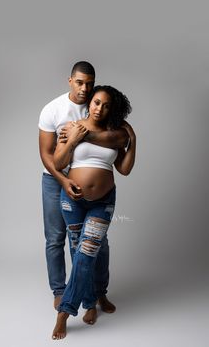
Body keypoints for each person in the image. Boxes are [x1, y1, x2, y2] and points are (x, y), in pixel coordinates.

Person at [38, 62, 129, 314]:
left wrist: (83, 135)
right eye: (79, 82)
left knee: (98, 242)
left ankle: (98, 293)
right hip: (56, 179)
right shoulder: (53, 109)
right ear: (70, 81)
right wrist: (64, 180)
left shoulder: (99, 104)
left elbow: (116, 138)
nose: (85, 88)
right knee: (56, 238)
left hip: (94, 190)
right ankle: (61, 292)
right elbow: (46, 154)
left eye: (89, 83)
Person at [52, 85, 136, 339]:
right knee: (80, 253)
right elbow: (58, 163)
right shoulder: (72, 127)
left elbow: (124, 169)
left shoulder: (116, 133)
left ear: (113, 108)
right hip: (73, 202)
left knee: (87, 253)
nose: (100, 108)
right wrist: (75, 139)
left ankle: (64, 313)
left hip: (103, 201)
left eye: (107, 105)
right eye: (97, 102)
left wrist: (134, 142)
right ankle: (90, 302)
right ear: (90, 103)